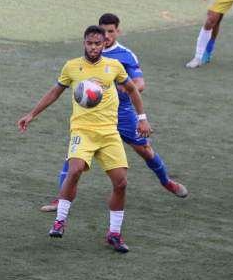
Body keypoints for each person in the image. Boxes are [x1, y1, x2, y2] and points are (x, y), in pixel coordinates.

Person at [18, 26, 152, 252]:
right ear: (84, 43)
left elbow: (132, 89)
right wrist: (31, 114)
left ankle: (114, 234)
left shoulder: (114, 66)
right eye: (90, 43)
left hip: (109, 132)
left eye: (98, 43)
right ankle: (60, 222)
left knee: (121, 183)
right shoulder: (72, 67)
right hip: (82, 130)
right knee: (75, 170)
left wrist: (142, 119)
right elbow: (54, 92)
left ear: (104, 44)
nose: (93, 47)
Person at [40, 14, 186, 213]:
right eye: (103, 31)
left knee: (145, 151)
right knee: (73, 157)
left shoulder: (125, 55)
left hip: (122, 115)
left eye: (111, 31)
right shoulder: (90, 52)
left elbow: (139, 83)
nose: (106, 36)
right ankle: (60, 199)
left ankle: (166, 181)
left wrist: (128, 88)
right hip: (92, 117)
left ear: (117, 31)